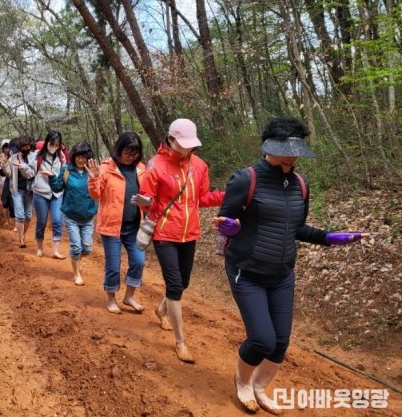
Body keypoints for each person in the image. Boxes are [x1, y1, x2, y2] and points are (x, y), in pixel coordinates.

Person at [213, 116, 368, 413]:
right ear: (269, 146)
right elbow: (225, 221)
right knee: (261, 340)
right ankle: (243, 382)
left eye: (296, 149)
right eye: (286, 149)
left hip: (283, 274)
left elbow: (296, 228)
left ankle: (260, 387)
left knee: (280, 342)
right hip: (247, 271)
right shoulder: (245, 179)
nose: (293, 155)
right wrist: (229, 228)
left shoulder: (301, 184)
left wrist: (329, 238)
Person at [135, 118, 224, 363]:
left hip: (190, 232)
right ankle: (180, 341)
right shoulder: (156, 166)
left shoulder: (200, 166)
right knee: (174, 286)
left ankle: (161, 309)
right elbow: (149, 200)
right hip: (164, 234)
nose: (188, 148)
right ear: (171, 139)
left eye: (190, 144)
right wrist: (145, 202)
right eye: (183, 143)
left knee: (182, 283)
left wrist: (228, 196)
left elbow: (203, 198)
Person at [87, 132, 146, 314]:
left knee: (139, 261)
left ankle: (129, 297)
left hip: (135, 226)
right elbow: (96, 195)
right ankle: (111, 299)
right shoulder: (106, 168)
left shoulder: (141, 170)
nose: (130, 157)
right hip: (112, 226)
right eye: (127, 152)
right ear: (119, 150)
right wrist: (93, 178)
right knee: (113, 266)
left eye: (134, 154)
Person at [60, 142, 98, 285]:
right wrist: (52, 178)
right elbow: (57, 187)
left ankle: (77, 259)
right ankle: (77, 275)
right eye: (78, 157)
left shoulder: (93, 172)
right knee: (76, 246)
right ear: (73, 157)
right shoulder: (67, 171)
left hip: (88, 216)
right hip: (71, 216)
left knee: (87, 248)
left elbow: (99, 190)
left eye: (84, 157)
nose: (81, 160)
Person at [32, 130, 67, 258]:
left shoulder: (62, 157)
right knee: (41, 221)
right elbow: (30, 172)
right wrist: (22, 167)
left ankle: (55, 251)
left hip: (57, 193)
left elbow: (64, 173)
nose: (54, 147)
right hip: (40, 192)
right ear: (47, 143)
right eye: (52, 143)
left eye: (57, 144)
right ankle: (40, 248)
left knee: (57, 220)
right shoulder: (37, 156)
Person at [4, 135, 36, 248]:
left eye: (28, 146)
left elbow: (33, 172)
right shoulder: (13, 158)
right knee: (20, 216)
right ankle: (21, 239)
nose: (26, 148)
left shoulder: (34, 157)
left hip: (30, 190)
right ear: (19, 147)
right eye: (23, 146)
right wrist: (4, 164)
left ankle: (23, 235)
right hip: (17, 189)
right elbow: (8, 173)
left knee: (28, 215)